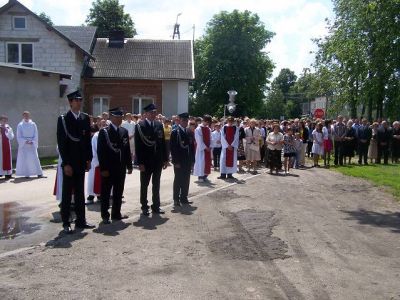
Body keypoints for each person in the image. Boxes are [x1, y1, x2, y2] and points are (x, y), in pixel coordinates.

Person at [56, 90, 95, 234]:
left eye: (80, 100)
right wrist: (65, 163)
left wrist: (89, 159)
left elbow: (87, 141)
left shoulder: (84, 118)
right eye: (76, 100)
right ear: (70, 102)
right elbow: (61, 142)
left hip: (81, 162)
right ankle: (66, 222)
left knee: (80, 193)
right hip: (69, 163)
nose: (79, 102)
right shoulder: (63, 119)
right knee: (67, 194)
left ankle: (81, 220)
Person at [97, 108, 133, 223]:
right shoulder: (105, 132)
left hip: (120, 166)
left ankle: (116, 213)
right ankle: (105, 215)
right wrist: (103, 168)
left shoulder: (123, 131)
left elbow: (126, 149)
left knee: (118, 191)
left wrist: (129, 165)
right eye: (116, 117)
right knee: (106, 193)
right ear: (111, 118)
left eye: (120, 117)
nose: (119, 119)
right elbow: (101, 152)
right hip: (108, 168)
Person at [135, 103, 168, 216]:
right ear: (146, 114)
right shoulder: (140, 126)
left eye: (155, 112)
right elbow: (138, 146)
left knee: (156, 184)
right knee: (144, 185)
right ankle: (144, 206)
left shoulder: (159, 125)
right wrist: (139, 162)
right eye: (151, 112)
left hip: (157, 160)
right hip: (146, 161)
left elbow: (162, 143)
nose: (153, 114)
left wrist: (165, 159)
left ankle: (156, 206)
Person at [170, 112, 195, 207]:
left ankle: (184, 197)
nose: (185, 122)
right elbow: (173, 149)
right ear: (179, 120)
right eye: (183, 120)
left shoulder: (189, 132)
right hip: (179, 161)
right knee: (178, 180)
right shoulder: (175, 132)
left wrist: (193, 160)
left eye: (186, 120)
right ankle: (176, 199)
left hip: (187, 160)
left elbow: (192, 147)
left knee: (186, 179)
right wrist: (175, 161)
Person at [15, 111, 44, 178]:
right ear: (23, 116)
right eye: (25, 115)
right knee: (26, 159)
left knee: (35, 158)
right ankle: (27, 174)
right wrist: (25, 141)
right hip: (24, 145)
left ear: (29, 116)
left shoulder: (33, 124)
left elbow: (36, 134)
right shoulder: (20, 125)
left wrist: (33, 141)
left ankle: (39, 173)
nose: (26, 116)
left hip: (32, 144)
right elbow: (18, 135)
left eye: (27, 115)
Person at [86, 119, 106, 204]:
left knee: (102, 179)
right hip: (96, 161)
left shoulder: (107, 135)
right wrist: (99, 159)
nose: (104, 126)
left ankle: (99, 195)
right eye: (102, 124)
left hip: (104, 161)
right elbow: (94, 149)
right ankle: (91, 195)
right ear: (99, 126)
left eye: (105, 124)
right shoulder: (96, 136)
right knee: (92, 178)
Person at [193, 115, 212, 182]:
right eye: (208, 122)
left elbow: (210, 138)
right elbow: (199, 140)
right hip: (201, 149)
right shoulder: (198, 129)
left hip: (207, 149)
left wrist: (210, 146)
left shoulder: (208, 129)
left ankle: (205, 175)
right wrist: (205, 147)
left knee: (207, 162)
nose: (208, 124)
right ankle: (200, 176)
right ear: (205, 121)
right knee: (201, 162)